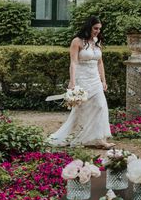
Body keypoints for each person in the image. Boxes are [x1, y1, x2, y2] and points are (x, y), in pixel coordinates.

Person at [48, 16, 115, 149]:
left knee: (101, 107)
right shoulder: (77, 41)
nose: (97, 31)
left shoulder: (97, 41)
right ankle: (75, 137)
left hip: (95, 79)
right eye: (95, 28)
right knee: (81, 111)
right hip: (82, 79)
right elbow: (73, 63)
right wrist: (72, 82)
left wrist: (103, 80)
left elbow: (100, 62)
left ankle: (100, 139)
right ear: (88, 26)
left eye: (99, 29)